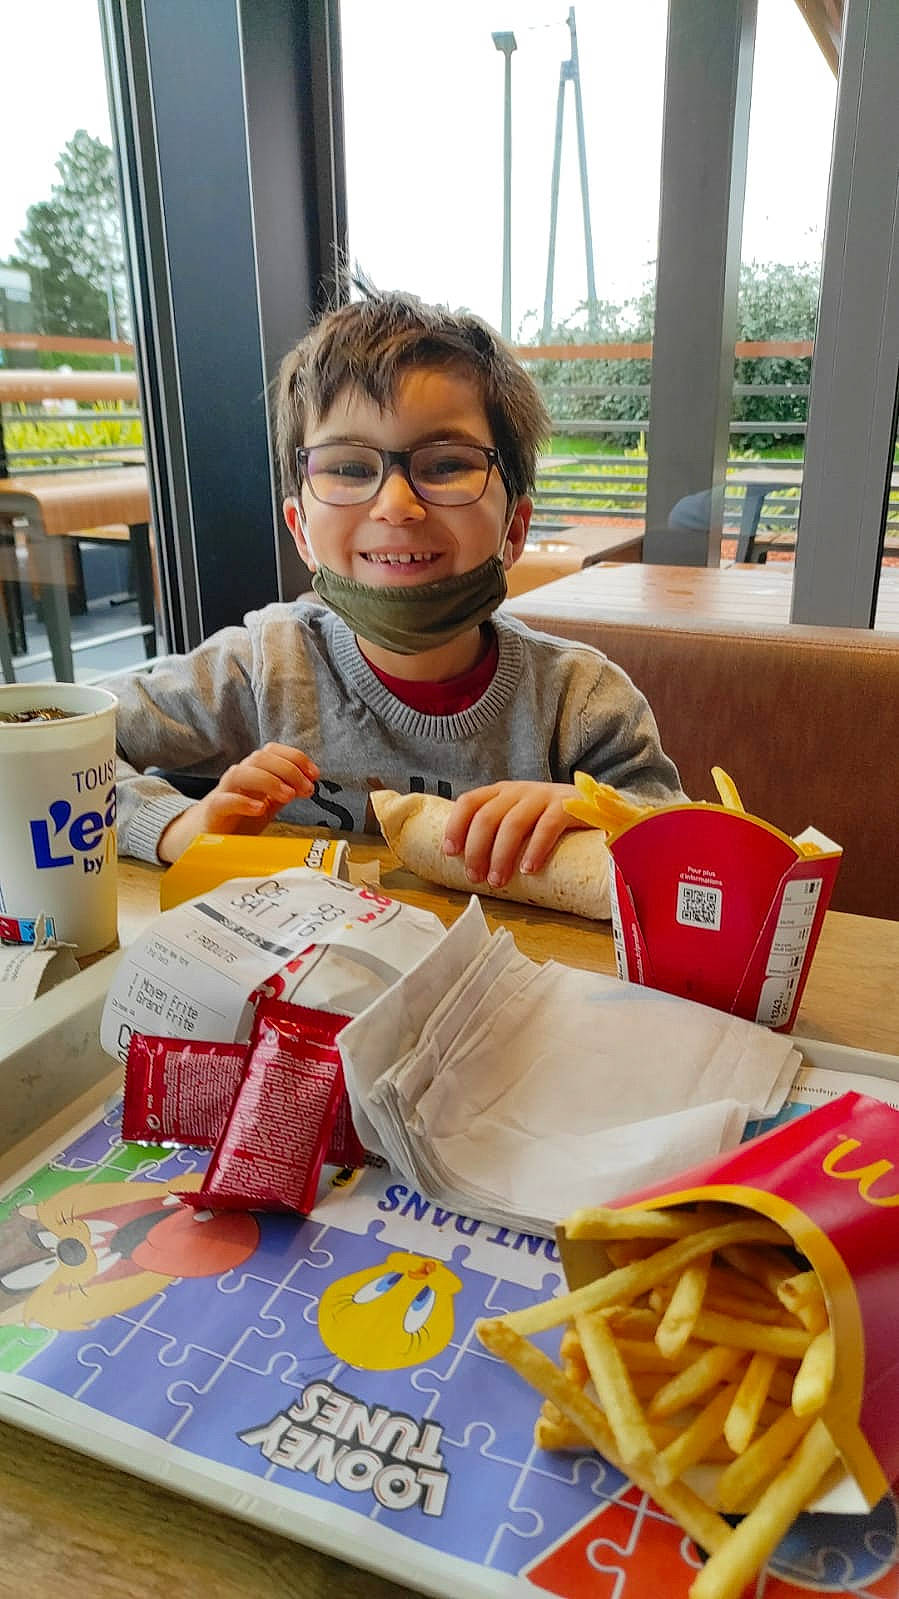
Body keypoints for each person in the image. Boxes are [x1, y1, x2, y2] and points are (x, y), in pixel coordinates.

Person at [109, 287, 684, 889]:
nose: (396, 504)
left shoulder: (581, 702)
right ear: (301, 530)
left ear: (514, 528)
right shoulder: (263, 667)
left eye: (445, 465)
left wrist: (600, 819)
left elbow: (691, 855)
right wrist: (178, 826)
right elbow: (58, 741)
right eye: (349, 468)